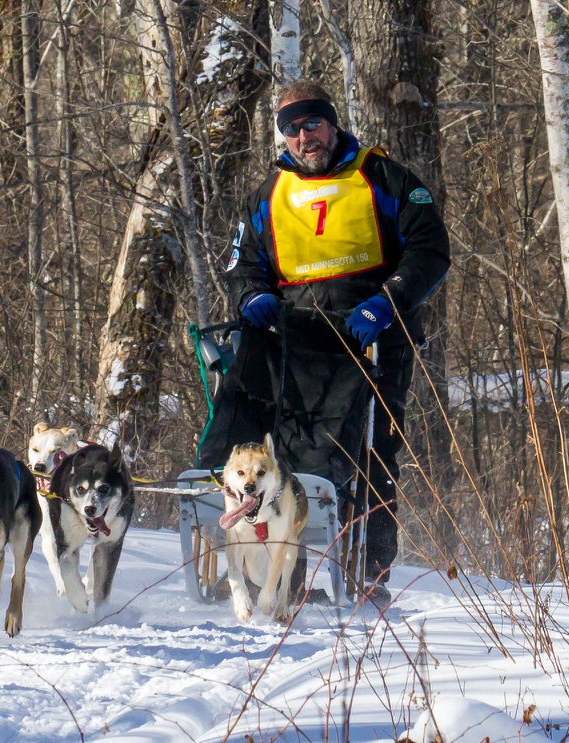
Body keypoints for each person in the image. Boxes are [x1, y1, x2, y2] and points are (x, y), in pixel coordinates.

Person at [214, 80, 450, 602]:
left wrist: (388, 300)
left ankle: (367, 576)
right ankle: (285, 579)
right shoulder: (269, 194)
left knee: (374, 452)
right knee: (288, 453)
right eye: (292, 129)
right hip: (293, 343)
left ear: (332, 121)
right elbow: (240, 262)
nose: (304, 137)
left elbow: (432, 249)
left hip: (372, 335)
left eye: (312, 124)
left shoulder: (383, 177)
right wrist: (251, 294)